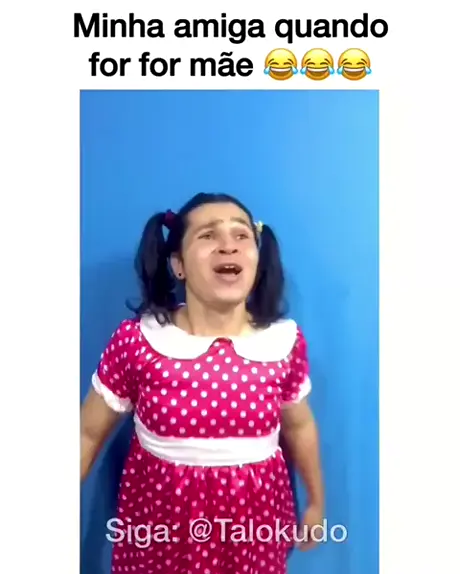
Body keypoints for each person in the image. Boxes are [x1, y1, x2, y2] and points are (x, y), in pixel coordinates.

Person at [81, 193, 324, 574]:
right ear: (178, 264)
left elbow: (299, 424)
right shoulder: (139, 342)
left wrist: (316, 502)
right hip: (158, 532)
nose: (228, 245)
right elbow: (87, 433)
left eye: (241, 235)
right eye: (208, 235)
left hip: (252, 533)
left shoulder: (282, 344)